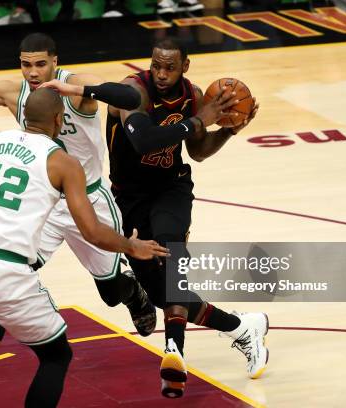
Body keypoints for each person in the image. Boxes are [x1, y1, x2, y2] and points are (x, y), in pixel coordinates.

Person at [0, 23, 157, 406]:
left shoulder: (76, 86)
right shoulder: (16, 92)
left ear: (55, 62)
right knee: (9, 283)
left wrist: (82, 91)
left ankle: (133, 293)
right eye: (26, 65)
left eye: (41, 65)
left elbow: (130, 96)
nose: (33, 73)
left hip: (89, 199)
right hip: (42, 201)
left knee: (110, 293)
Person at [104, 38, 267, 398]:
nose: (161, 74)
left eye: (170, 67)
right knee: (163, 295)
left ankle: (174, 352)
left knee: (173, 254)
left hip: (170, 190)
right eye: (156, 66)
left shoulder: (193, 95)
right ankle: (242, 327)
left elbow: (199, 152)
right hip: (129, 199)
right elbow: (144, 142)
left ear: (185, 66)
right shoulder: (132, 93)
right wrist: (198, 120)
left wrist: (226, 130)